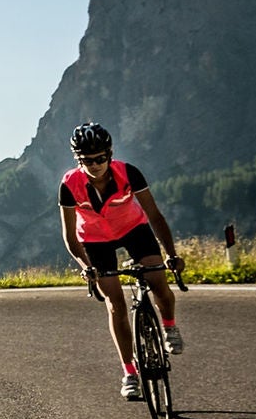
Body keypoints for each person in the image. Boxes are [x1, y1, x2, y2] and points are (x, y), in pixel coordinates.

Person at [58, 122, 186, 400]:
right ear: (78, 160)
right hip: (94, 240)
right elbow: (69, 236)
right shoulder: (69, 185)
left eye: (101, 158)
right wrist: (85, 267)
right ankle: (130, 372)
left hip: (133, 230)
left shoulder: (129, 172)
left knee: (157, 279)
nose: (95, 165)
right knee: (115, 304)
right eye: (87, 160)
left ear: (110, 153)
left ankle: (169, 325)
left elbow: (155, 215)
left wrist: (172, 254)